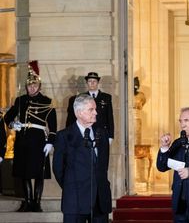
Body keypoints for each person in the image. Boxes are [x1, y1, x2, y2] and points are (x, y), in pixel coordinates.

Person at [4, 60, 57, 212]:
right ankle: (28, 202)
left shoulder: (47, 101)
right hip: (23, 140)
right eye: (29, 85)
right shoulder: (21, 100)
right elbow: (8, 117)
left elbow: (53, 126)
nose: (31, 88)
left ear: (39, 86)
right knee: (24, 173)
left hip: (39, 141)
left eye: (34, 85)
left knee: (39, 174)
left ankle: (37, 203)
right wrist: (13, 125)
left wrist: (50, 142)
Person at [53, 94, 112, 223]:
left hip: (100, 201)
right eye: (91, 110)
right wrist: (71, 186)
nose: (96, 113)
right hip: (75, 200)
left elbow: (104, 165)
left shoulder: (102, 134)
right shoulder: (64, 136)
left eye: (95, 109)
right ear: (79, 113)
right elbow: (58, 169)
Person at [65, 72, 114, 144]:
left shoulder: (106, 97)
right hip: (86, 131)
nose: (92, 83)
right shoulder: (82, 97)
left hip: (102, 132)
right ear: (87, 83)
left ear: (98, 83)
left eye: (94, 81)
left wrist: (110, 135)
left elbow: (110, 117)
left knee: (101, 154)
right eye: (90, 81)